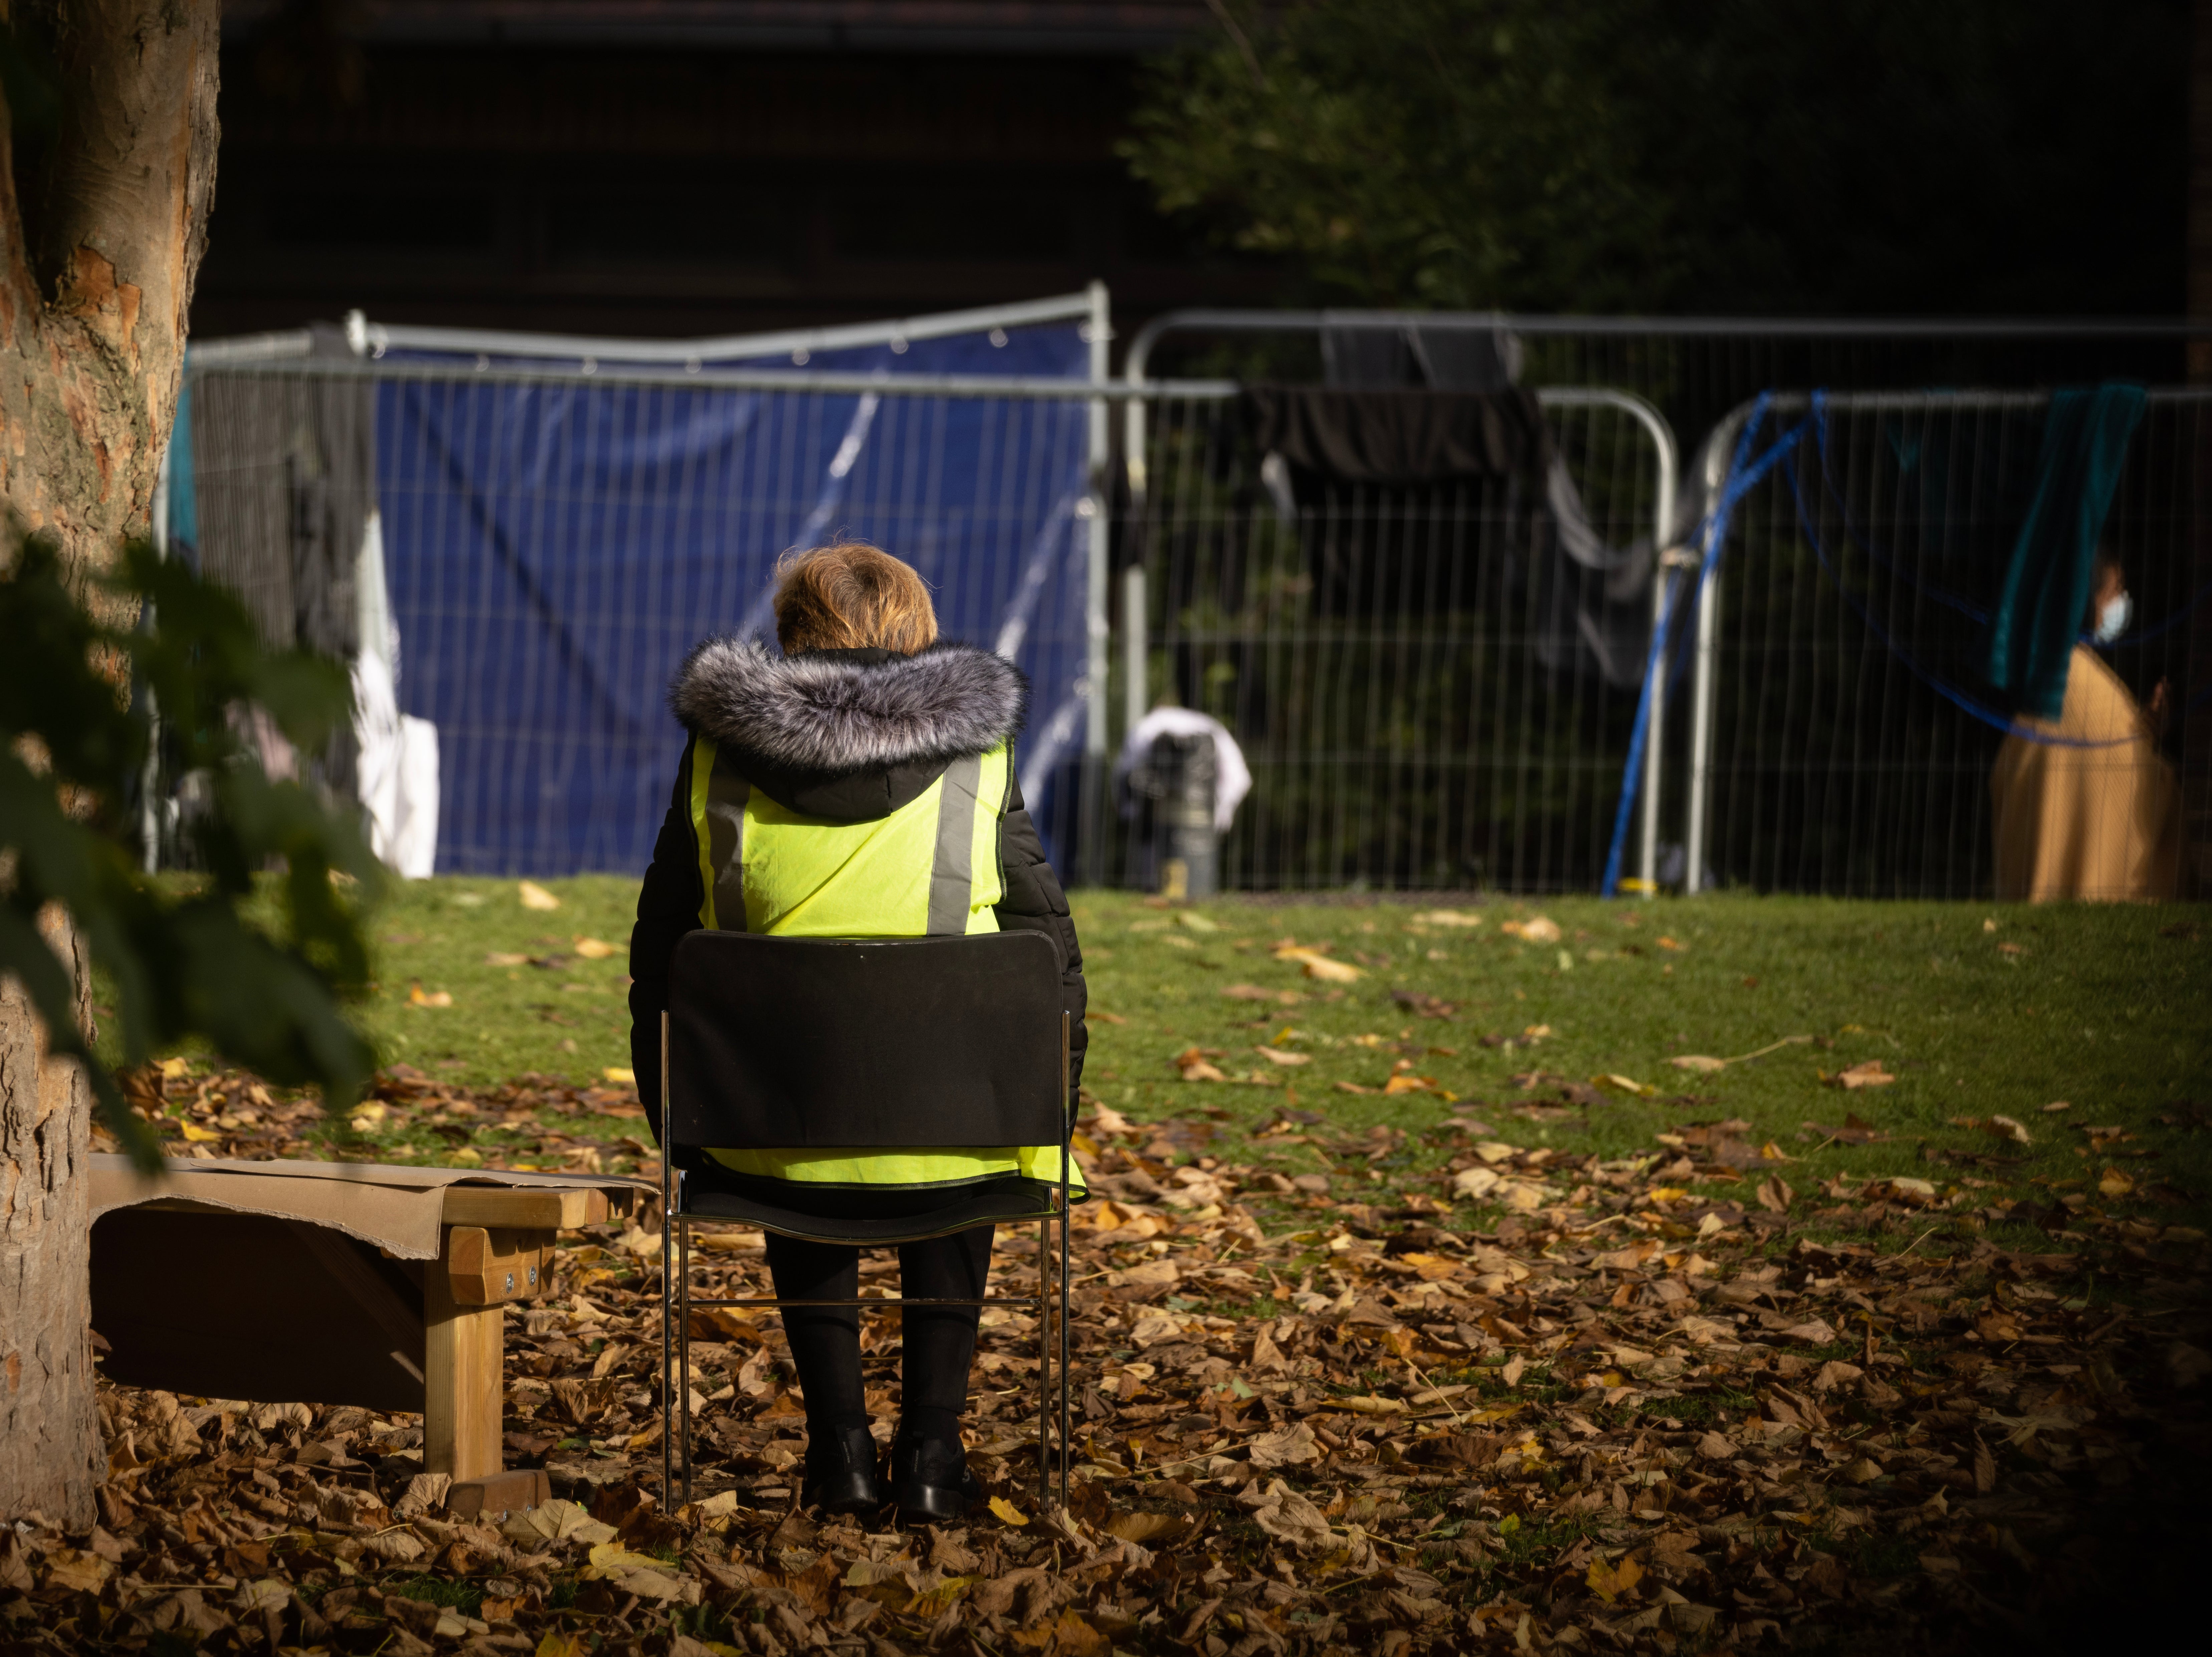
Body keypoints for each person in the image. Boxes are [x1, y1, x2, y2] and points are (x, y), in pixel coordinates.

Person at [628, 541, 1086, 1517]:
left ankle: (838, 1454)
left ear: (793, 635)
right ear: (916, 634)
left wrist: (667, 1108)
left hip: (767, 1123)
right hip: (959, 1124)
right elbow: (1048, 939)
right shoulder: (978, 753)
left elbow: (659, 947)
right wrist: (1054, 1099)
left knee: (802, 1125)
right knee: (954, 1130)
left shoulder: (715, 753)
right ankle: (932, 1455)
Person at [1989, 554, 2181, 900]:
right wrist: (2155, 750)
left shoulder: (2046, 687)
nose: (2123, 601)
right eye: (2116, 589)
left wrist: (2147, 733)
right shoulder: (2098, 691)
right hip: (2111, 889)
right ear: (2087, 599)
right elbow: (2144, 783)